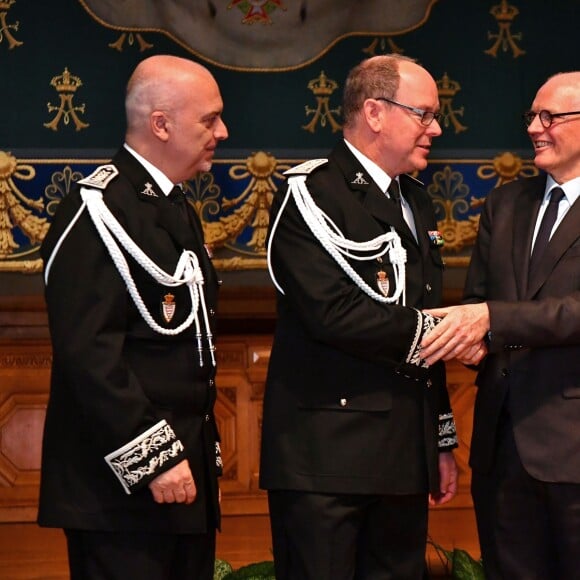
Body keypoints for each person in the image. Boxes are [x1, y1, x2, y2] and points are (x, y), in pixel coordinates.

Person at [260, 54, 458, 580]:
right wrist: (449, 333)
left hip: (402, 459)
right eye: (424, 114)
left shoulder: (416, 201)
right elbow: (334, 313)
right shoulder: (311, 193)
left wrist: (438, 439)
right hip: (327, 461)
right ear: (374, 112)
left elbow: (423, 315)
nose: (435, 128)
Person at [38, 54, 228, 580]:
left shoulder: (170, 206)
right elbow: (88, 352)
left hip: (180, 481)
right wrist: (155, 457)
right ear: (160, 123)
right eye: (209, 120)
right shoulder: (98, 207)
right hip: (122, 492)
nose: (223, 132)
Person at [420, 71, 580, 579]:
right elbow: (476, 301)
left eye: (549, 116)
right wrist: (467, 338)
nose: (534, 127)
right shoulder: (505, 204)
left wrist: (492, 320)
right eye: (532, 116)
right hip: (502, 447)